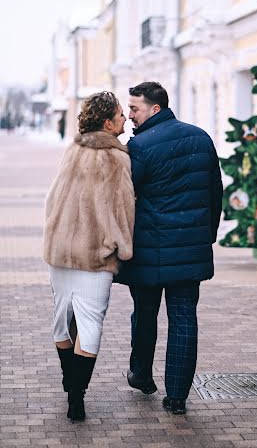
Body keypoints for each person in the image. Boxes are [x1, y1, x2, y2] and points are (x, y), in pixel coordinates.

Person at [115, 81, 223, 415]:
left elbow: (125, 197)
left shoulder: (140, 147)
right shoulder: (201, 138)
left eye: (134, 108)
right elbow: (214, 193)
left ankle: (142, 374)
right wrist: (207, 235)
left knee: (145, 314)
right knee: (184, 318)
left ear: (155, 109)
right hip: (190, 248)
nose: (129, 115)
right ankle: (177, 395)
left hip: (147, 248)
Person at [43, 91, 135, 422]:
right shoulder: (117, 157)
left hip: (60, 252)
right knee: (90, 323)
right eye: (121, 115)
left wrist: (53, 235)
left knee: (61, 320)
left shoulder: (74, 149)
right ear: (108, 123)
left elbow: (53, 197)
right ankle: (77, 397)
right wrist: (123, 247)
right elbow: (124, 208)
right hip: (96, 254)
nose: (125, 119)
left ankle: (70, 383)